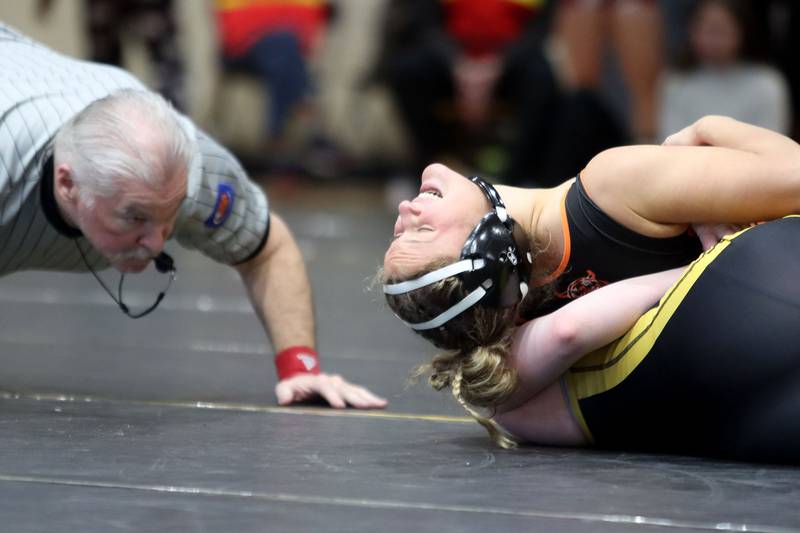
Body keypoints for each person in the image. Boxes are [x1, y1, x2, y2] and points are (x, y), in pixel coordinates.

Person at [0, 24, 386, 410]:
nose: (154, 243)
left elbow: (268, 250)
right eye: (134, 217)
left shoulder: (191, 173)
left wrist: (299, 367)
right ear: (68, 184)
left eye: (168, 215)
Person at [380, 115, 800, 442]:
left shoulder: (529, 332)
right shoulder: (612, 186)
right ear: (488, 247)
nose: (404, 211)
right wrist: (710, 127)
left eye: (399, 233)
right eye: (422, 232)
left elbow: (494, 395)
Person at [454, 215, 800, 463]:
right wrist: (707, 261)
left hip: (753, 378)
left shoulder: (508, 400)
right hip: (758, 266)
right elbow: (567, 331)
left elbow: (562, 336)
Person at [657, 0, 790, 141]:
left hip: (750, 161)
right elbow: (670, 140)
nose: (712, 40)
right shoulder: (676, 81)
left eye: (720, 31)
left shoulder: (766, 84)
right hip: (688, 160)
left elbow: (771, 142)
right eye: (705, 30)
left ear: (741, 31)